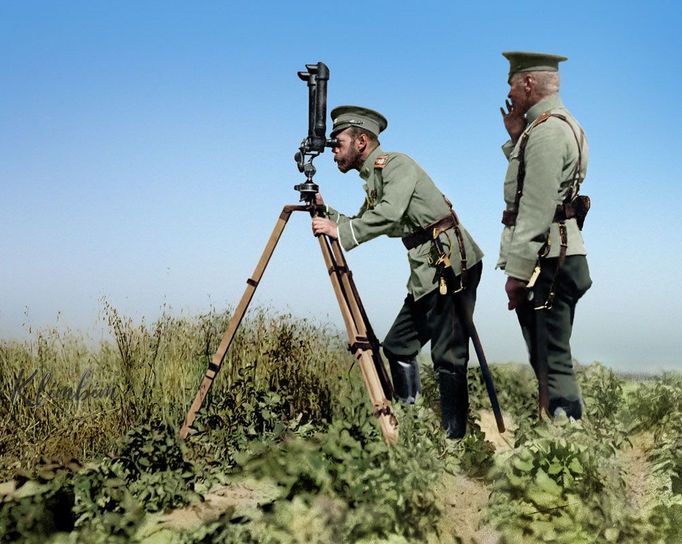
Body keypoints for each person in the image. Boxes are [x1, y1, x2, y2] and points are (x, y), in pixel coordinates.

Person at [311, 105, 484, 438]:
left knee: (447, 355)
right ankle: (412, 427)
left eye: (338, 142)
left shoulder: (395, 165)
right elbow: (357, 222)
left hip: (451, 264)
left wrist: (339, 232)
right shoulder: (375, 178)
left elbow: (388, 214)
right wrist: (325, 210)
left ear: (362, 141)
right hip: (427, 270)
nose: (333, 151)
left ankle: (455, 438)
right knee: (398, 346)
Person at [498, 51, 592, 419]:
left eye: (512, 82)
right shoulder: (553, 126)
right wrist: (516, 138)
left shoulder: (548, 132)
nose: (508, 89)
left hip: (549, 260)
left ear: (528, 83)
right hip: (557, 255)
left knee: (553, 361)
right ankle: (559, 438)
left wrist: (517, 274)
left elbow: (535, 210)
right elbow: (535, 186)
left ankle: (569, 448)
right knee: (547, 356)